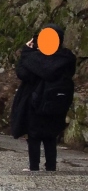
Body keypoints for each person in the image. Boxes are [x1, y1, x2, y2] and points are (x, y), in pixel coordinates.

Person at [10, 25, 76, 171]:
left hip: (37, 102)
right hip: (57, 103)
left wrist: (27, 51)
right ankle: (51, 166)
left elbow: (23, 74)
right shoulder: (67, 58)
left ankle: (34, 167)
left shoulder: (35, 59)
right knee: (51, 136)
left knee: (34, 136)